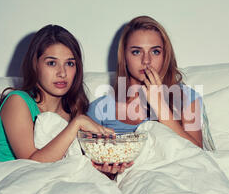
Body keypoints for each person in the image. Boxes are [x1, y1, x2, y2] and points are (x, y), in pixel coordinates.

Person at [87, 16, 204, 176]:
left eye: (155, 51)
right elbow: (87, 166)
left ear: (165, 56)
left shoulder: (187, 98)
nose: (146, 60)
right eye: (136, 52)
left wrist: (159, 105)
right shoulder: (100, 109)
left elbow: (198, 155)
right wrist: (106, 172)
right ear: (125, 58)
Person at [0, 24, 114, 164]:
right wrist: (77, 124)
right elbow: (32, 163)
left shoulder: (74, 111)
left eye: (70, 64)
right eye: (52, 63)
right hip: (3, 177)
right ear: (35, 65)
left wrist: (105, 169)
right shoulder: (17, 102)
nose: (62, 73)